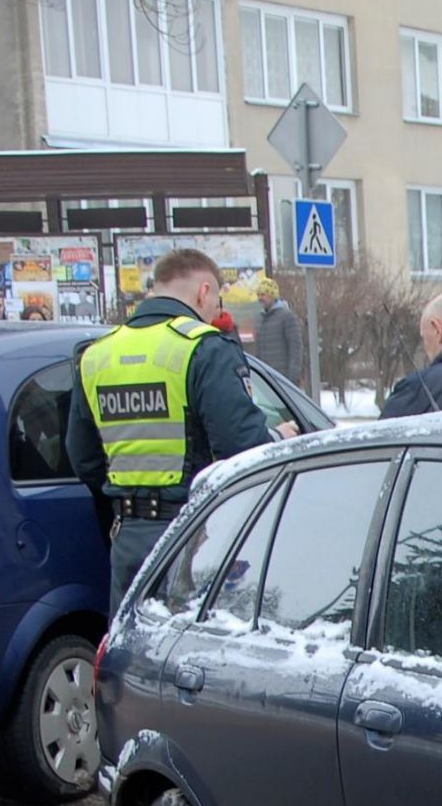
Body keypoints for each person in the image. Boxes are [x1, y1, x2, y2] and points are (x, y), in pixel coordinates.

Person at [67, 247, 288, 600]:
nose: (218, 309)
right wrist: (277, 435)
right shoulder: (202, 348)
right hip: (189, 536)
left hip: (126, 538)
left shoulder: (96, 353)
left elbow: (83, 458)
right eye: (217, 298)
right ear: (203, 291)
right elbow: (242, 447)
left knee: (131, 649)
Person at [250, 276, 306, 389]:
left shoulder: (287, 316)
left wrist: (291, 379)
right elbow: (257, 351)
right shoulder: (259, 319)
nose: (260, 298)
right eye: (258, 295)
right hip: (265, 380)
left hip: (282, 380)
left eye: (263, 295)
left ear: (273, 296)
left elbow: (296, 348)